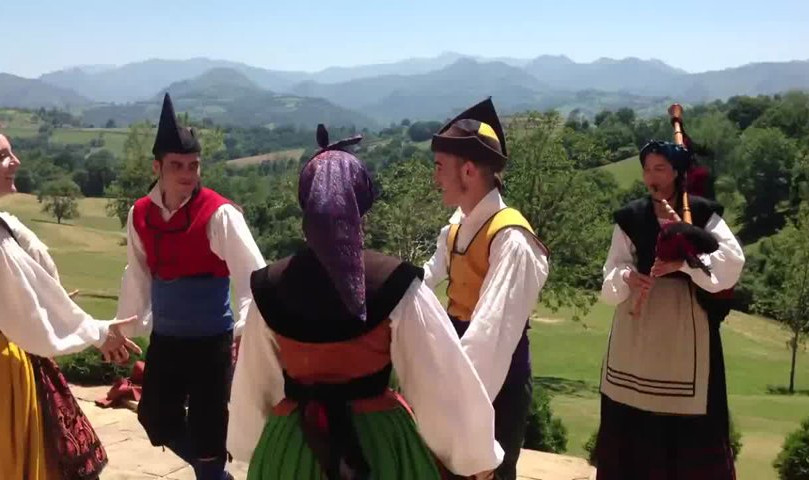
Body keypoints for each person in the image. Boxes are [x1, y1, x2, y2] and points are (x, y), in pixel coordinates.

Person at [227, 125, 503, 480]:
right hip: (379, 445)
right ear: (361, 210)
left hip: (293, 445)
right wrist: (474, 455)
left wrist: (252, 444)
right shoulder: (395, 283)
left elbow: (255, 382)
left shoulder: (269, 287)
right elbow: (437, 379)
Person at [113, 94, 266, 480]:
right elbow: (138, 274)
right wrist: (123, 328)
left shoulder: (220, 213)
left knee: (209, 434)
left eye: (194, 165)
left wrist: (244, 331)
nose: (187, 173)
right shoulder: (140, 214)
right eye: (177, 165)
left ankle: (212, 473)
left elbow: (254, 276)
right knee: (154, 419)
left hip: (212, 342)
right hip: (167, 339)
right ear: (158, 166)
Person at [592, 140, 745, 479]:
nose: (651, 177)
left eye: (659, 169)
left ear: (677, 172)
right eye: (647, 169)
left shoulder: (703, 213)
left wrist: (685, 264)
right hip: (635, 341)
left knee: (684, 438)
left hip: (684, 338)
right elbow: (610, 276)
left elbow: (732, 263)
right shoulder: (631, 217)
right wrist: (629, 278)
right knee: (629, 429)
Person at [0, 132, 140, 480]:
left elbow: (38, 292)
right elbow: (29, 313)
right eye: (3, 156)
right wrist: (98, 332)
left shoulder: (7, 227)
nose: (15, 162)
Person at [423, 97, 549, 479]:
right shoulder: (457, 228)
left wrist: (469, 424)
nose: (435, 178)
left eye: (440, 167)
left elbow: (490, 335)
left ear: (468, 170)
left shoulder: (512, 239)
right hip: (459, 372)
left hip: (492, 385)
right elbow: (422, 285)